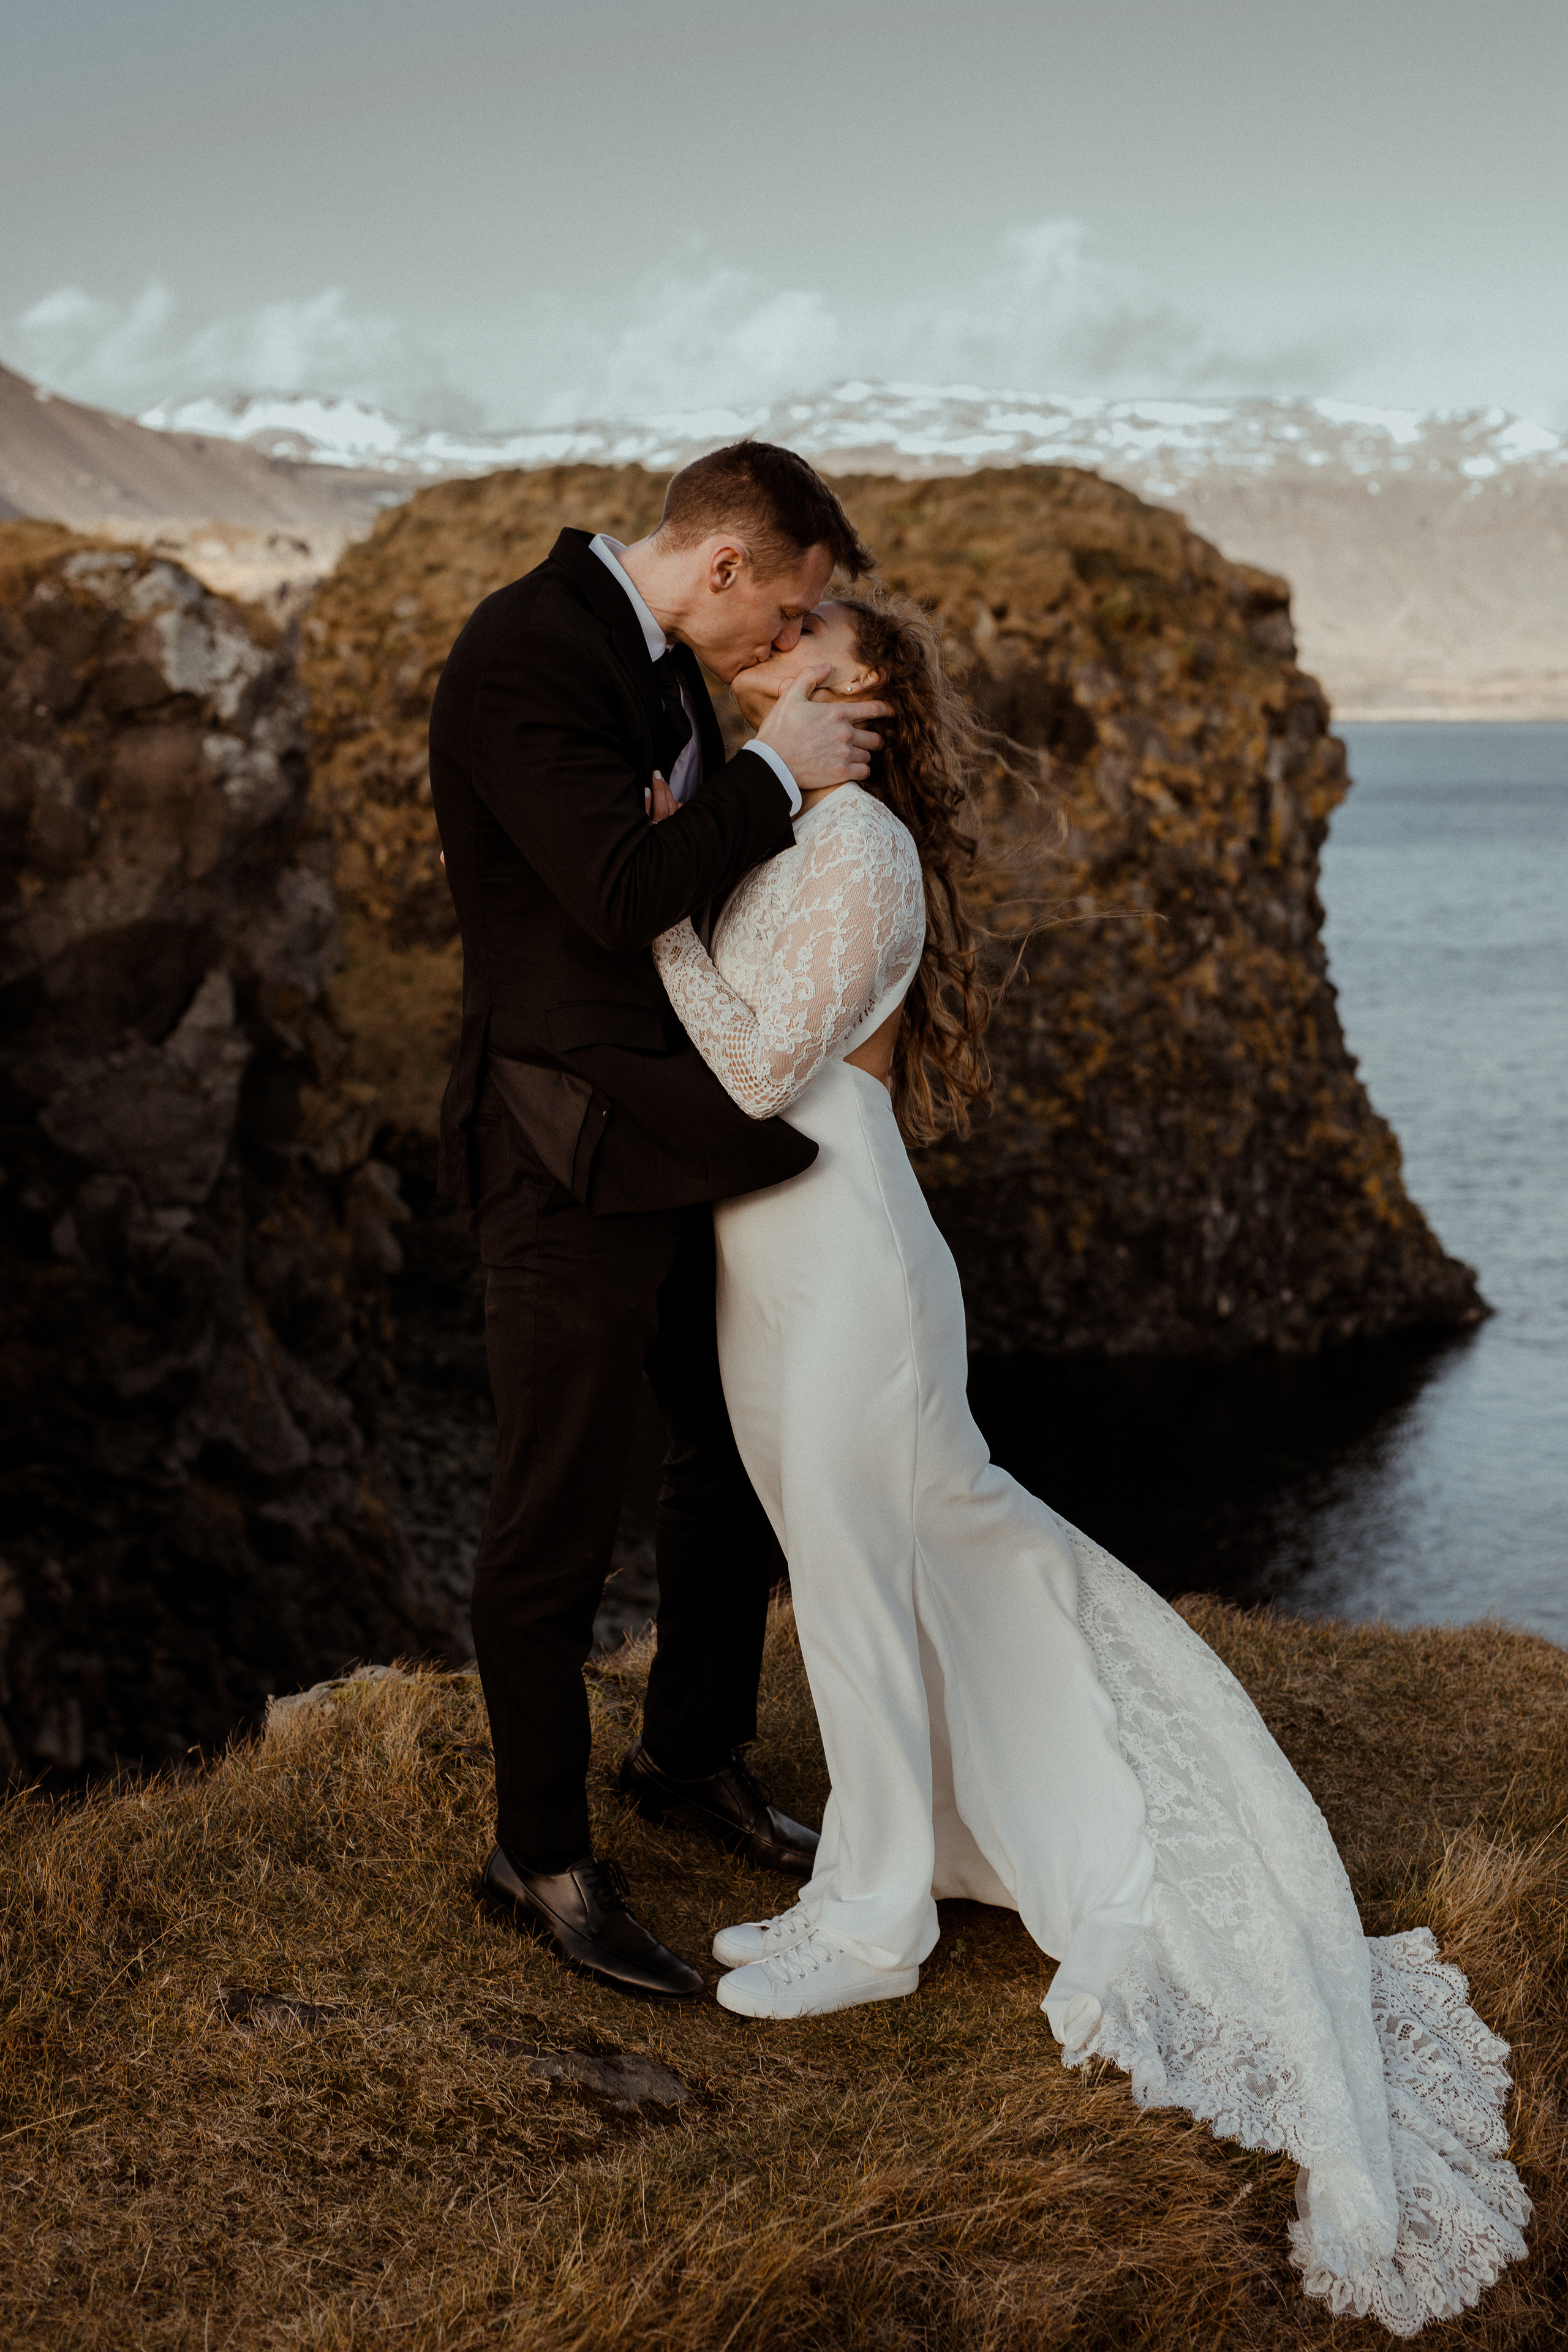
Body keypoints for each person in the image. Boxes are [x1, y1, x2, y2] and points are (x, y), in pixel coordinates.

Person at [647, 586, 1531, 2332]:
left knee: (872, 1560)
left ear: (874, 716)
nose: (780, 688)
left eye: (817, 678)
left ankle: (879, 1921)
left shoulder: (866, 850)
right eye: (780, 667)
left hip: (845, 1266)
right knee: (861, 1570)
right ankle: (885, 1865)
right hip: (772, 1270)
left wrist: (653, 914)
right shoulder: (792, 834)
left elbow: (756, 1062)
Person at [429, 442, 890, 2000]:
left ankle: (688, 1758)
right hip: (558, 1141)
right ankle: (537, 1854)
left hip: (681, 1126)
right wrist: (778, 774)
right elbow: (625, 894)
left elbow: (671, 890)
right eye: (789, 613)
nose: (786, 647)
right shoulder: (523, 651)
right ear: (724, 570)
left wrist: (723, 799)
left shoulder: (673, 665)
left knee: (727, 1456)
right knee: (555, 1504)